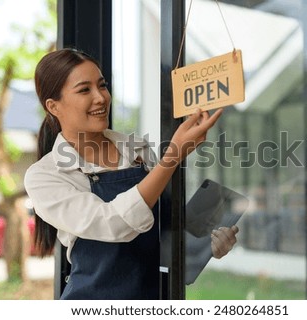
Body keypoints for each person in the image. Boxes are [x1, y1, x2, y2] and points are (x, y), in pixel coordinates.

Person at [24, 48, 239, 300]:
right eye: (84, 90)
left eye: (102, 86)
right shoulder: (45, 176)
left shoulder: (137, 149)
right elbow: (114, 223)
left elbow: (164, 232)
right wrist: (173, 156)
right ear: (53, 106)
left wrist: (209, 246)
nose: (101, 98)